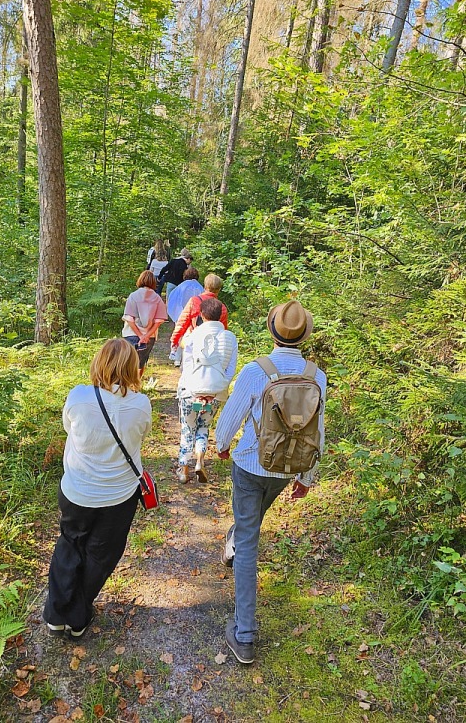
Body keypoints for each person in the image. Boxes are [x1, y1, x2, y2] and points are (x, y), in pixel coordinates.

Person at [214, 300, 326, 664]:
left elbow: (232, 416)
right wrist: (307, 476)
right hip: (286, 469)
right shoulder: (316, 376)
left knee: (249, 540)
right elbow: (318, 430)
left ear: (272, 331)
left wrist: (221, 445)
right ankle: (235, 538)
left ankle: (244, 634)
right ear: (304, 334)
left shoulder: (256, 370)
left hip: (250, 464)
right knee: (250, 523)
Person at [43, 339, 151, 639]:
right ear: (133, 368)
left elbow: (69, 428)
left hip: (78, 489)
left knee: (69, 545)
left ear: (98, 362)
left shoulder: (79, 397)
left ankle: (56, 613)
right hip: (119, 495)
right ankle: (78, 617)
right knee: (101, 554)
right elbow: (142, 436)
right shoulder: (141, 404)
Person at [177, 297, 237, 485]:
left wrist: (196, 391)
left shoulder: (193, 336)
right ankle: (200, 461)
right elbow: (231, 369)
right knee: (204, 427)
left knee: (188, 429)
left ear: (202, 315)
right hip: (216, 395)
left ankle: (184, 469)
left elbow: (186, 366)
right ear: (221, 315)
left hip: (190, 392)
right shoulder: (230, 338)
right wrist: (215, 390)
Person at [170, 274, 228, 357]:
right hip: (212, 344)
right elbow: (223, 330)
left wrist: (174, 340)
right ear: (219, 289)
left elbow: (182, 322)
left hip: (193, 341)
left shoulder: (194, 301)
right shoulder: (222, 307)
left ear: (205, 286)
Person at [122, 271, 167, 377]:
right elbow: (158, 321)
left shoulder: (133, 296)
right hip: (149, 337)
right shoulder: (157, 298)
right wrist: (145, 336)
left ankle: (127, 386)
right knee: (141, 363)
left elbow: (129, 319)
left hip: (131, 334)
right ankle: (137, 385)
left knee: (128, 362)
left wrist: (139, 335)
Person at [167, 267, 204, 367]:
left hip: (181, 314)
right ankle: (190, 358)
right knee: (193, 337)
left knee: (179, 334)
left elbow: (173, 300)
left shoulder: (180, 287)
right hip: (195, 317)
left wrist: (177, 315)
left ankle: (177, 359)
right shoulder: (200, 287)